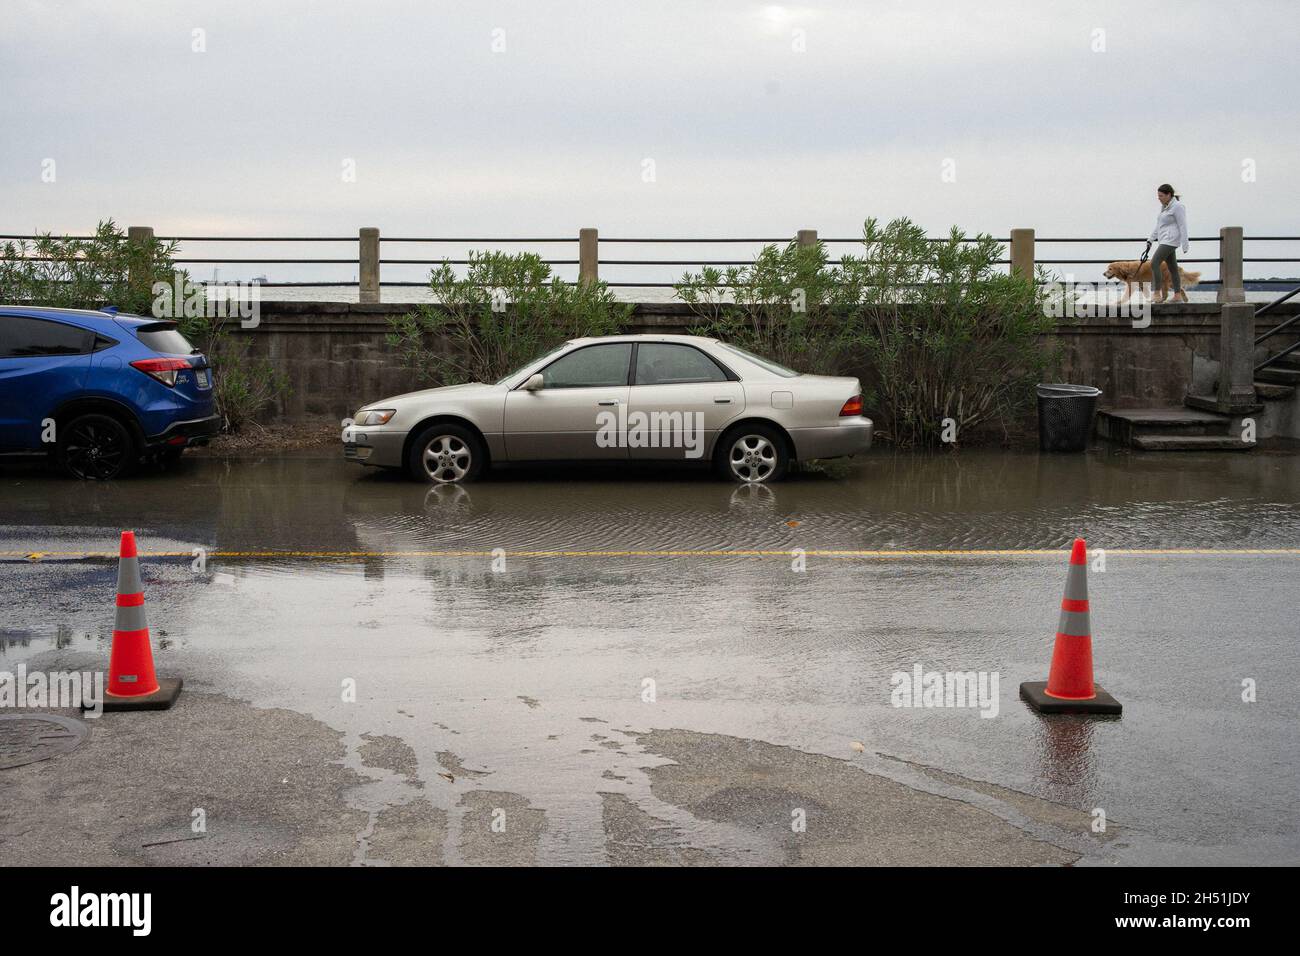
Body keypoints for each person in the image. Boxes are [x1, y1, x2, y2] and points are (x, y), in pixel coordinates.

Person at [1149, 184, 1189, 302]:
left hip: (1171, 240)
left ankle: (1156, 293)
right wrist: (1150, 239)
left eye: (1161, 196)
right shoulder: (1165, 207)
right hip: (1164, 239)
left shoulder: (1178, 207)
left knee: (1154, 263)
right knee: (1173, 268)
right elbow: (1159, 226)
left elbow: (1183, 225)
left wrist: (1185, 244)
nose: (1159, 198)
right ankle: (1177, 296)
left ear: (1169, 195)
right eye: (1158, 196)